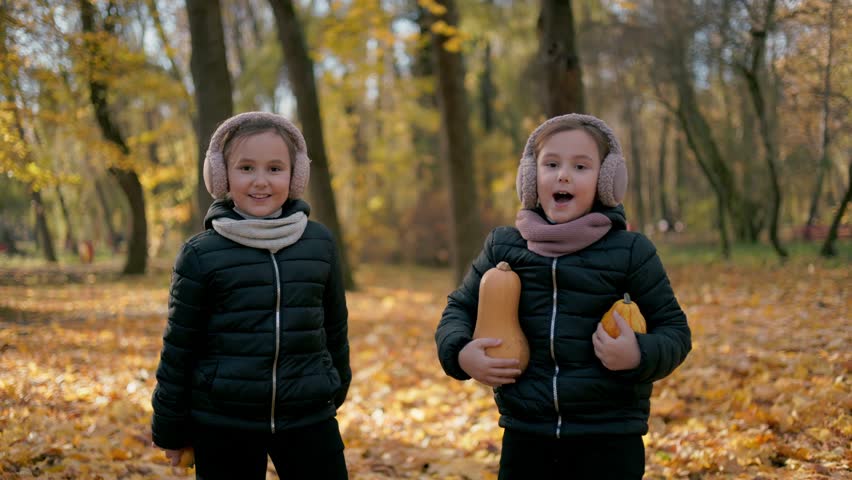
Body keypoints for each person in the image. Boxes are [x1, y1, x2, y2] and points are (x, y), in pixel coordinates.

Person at [435, 114, 691, 479]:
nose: (563, 175)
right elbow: (459, 308)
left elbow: (675, 331)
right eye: (551, 164)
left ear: (607, 182)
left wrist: (639, 353)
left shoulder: (631, 251)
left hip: (610, 438)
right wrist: (461, 354)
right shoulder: (504, 248)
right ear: (529, 177)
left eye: (581, 166)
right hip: (526, 435)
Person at [151, 111, 351, 480]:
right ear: (222, 175)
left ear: (296, 176)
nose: (261, 181)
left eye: (275, 168)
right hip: (224, 421)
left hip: (308, 416)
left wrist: (333, 386)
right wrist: (170, 428)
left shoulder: (319, 243)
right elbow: (179, 349)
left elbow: (335, 326)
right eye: (246, 168)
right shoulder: (201, 254)